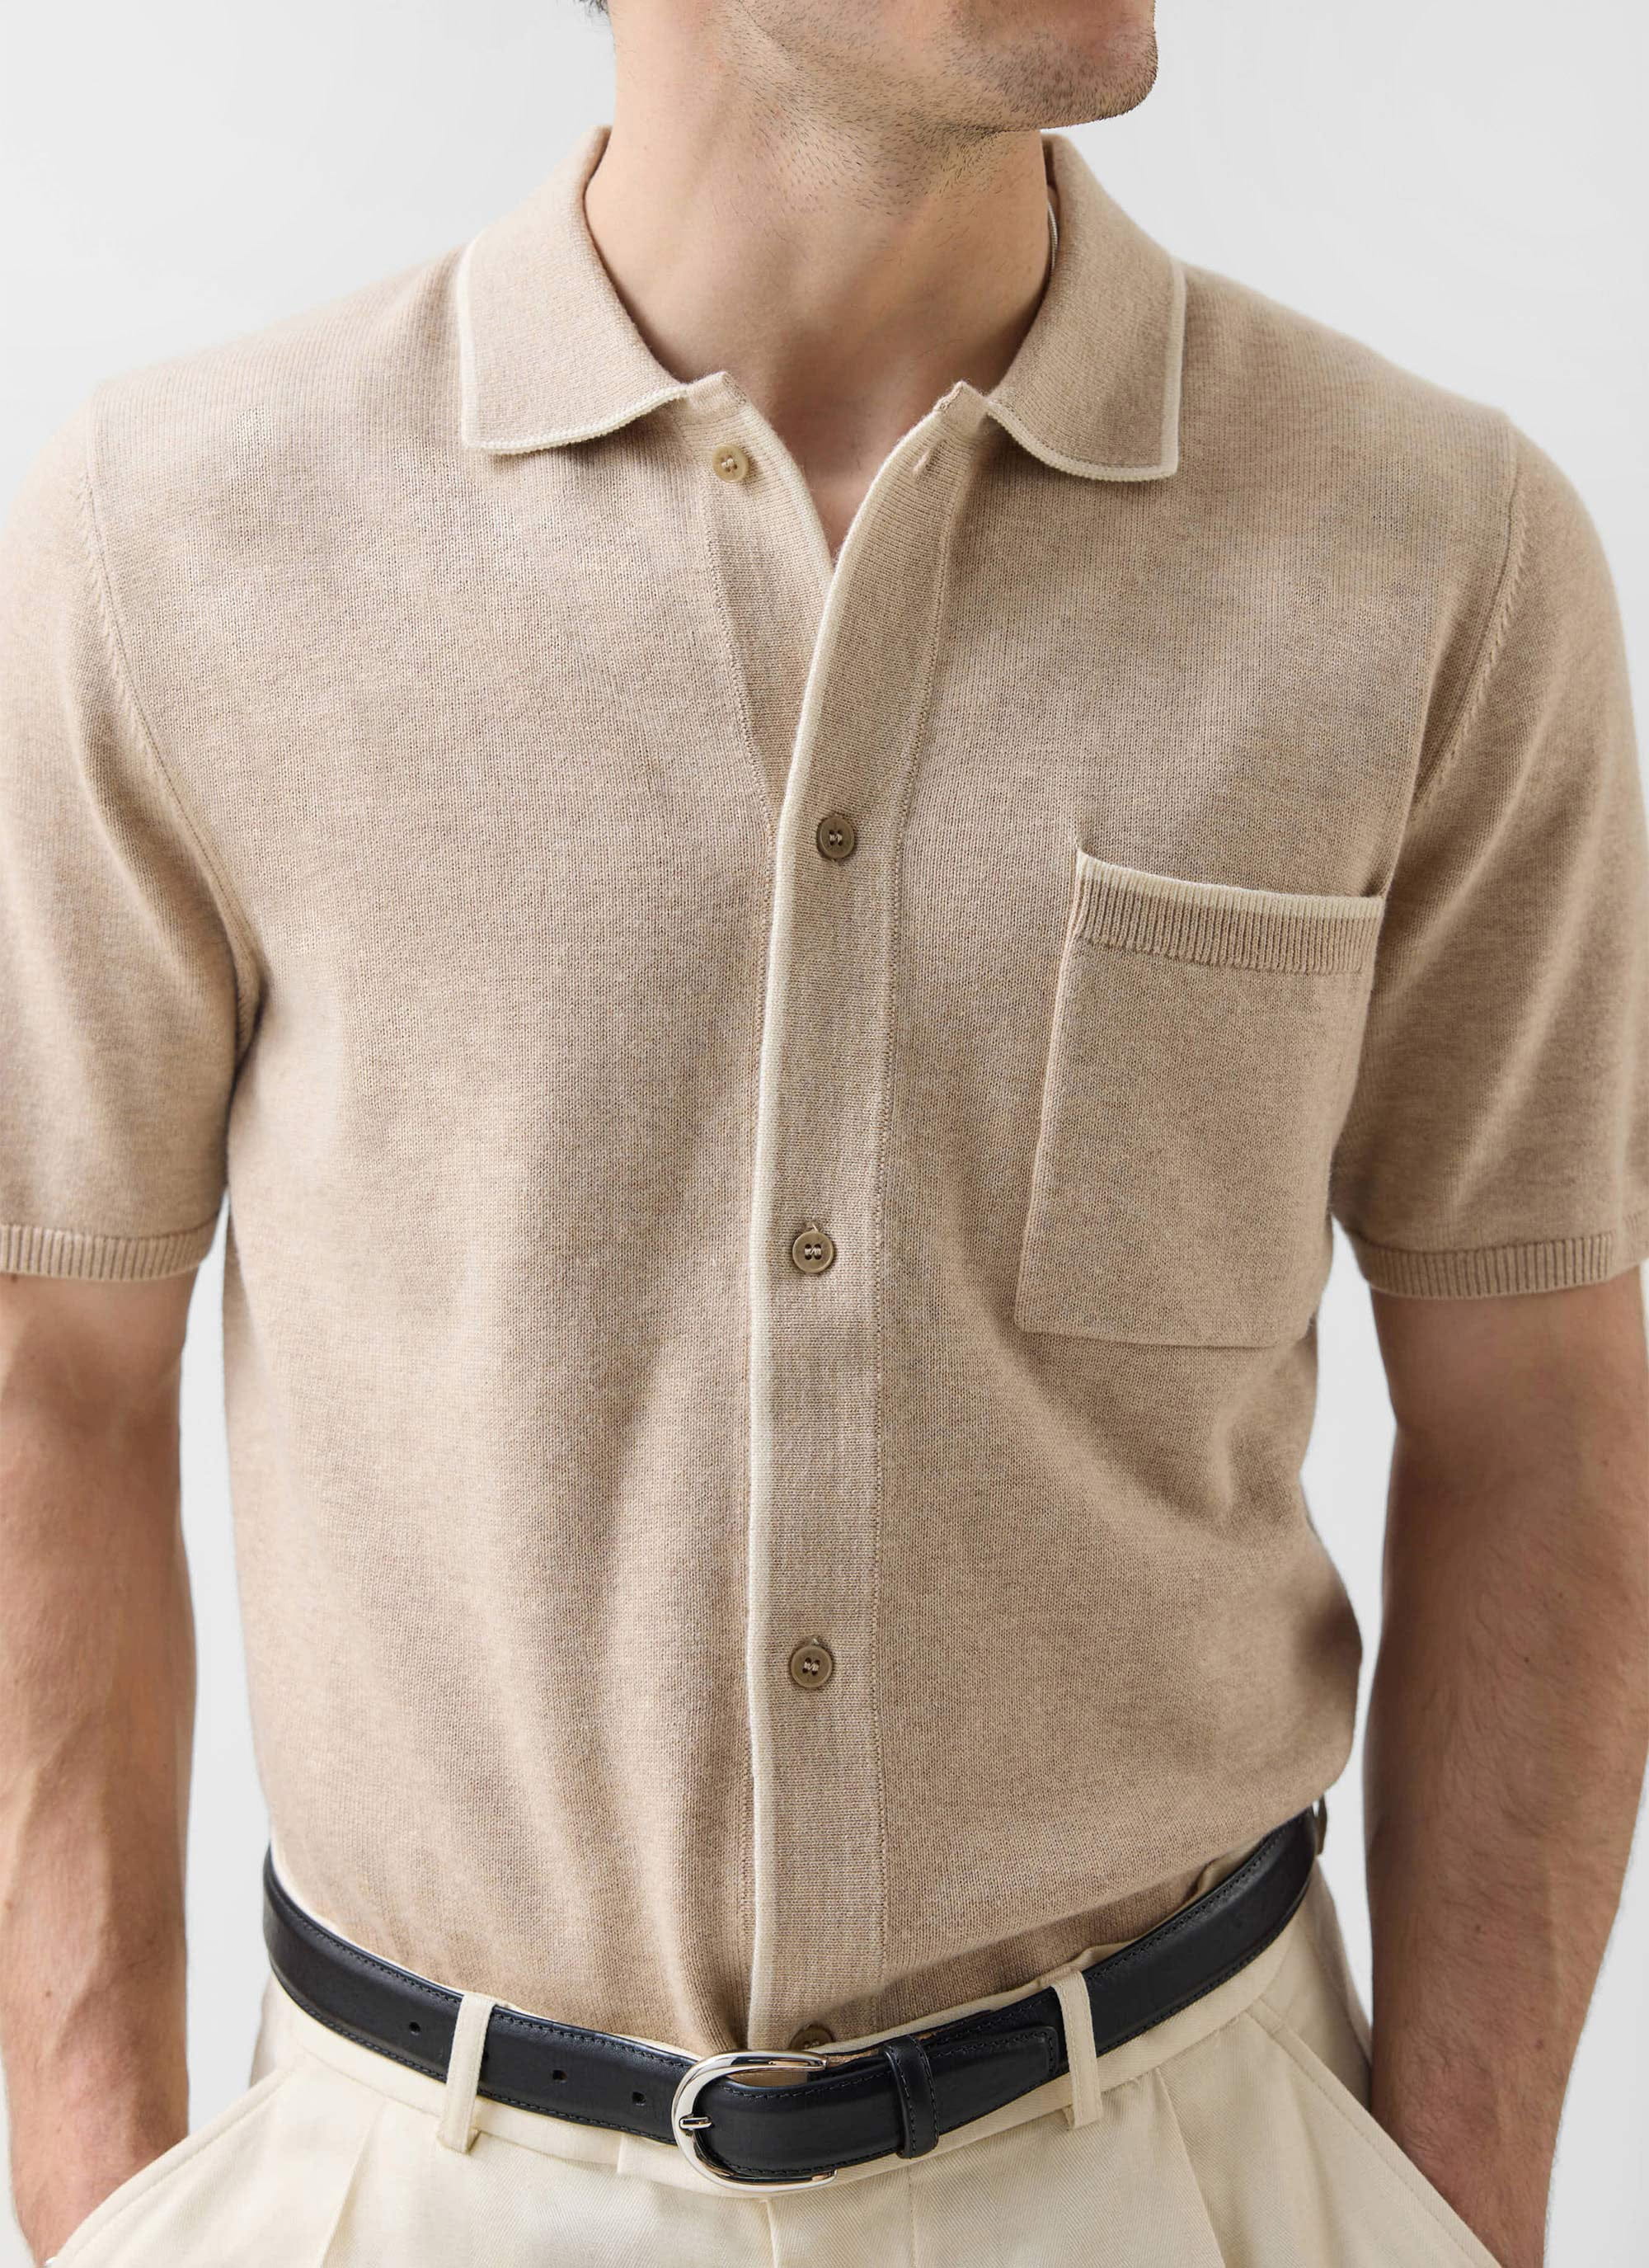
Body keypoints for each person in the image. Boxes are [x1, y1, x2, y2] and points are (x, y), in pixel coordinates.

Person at [1, 0, 1645, 2261]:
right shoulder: (178, 540)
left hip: (1190, 2177)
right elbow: (51, 1390)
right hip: (413, 2191)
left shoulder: (1437, 554)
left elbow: (1544, 1420)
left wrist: (1457, 2205)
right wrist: (101, 2205)